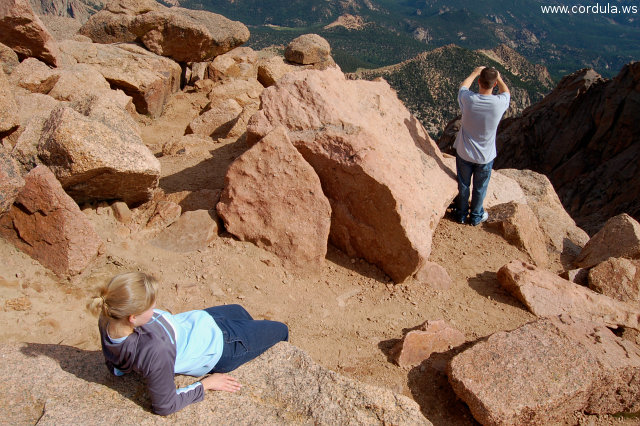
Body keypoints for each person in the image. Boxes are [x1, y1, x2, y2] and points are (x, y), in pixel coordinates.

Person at [87, 272, 289, 416]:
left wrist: (119, 369)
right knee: (281, 330)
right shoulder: (155, 350)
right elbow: (165, 405)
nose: (155, 306)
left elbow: (115, 355)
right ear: (132, 317)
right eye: (151, 305)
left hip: (200, 321)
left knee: (239, 310)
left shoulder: (109, 315)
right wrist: (206, 384)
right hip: (221, 345)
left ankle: (253, 337)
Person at [453, 66, 510, 225]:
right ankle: (476, 217)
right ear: (494, 85)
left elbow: (463, 86)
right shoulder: (499, 103)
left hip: (464, 153)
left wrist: (474, 72)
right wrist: (499, 78)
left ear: (479, 81)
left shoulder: (468, 99)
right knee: (480, 189)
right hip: (485, 156)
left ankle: (461, 215)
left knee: (464, 186)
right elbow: (506, 92)